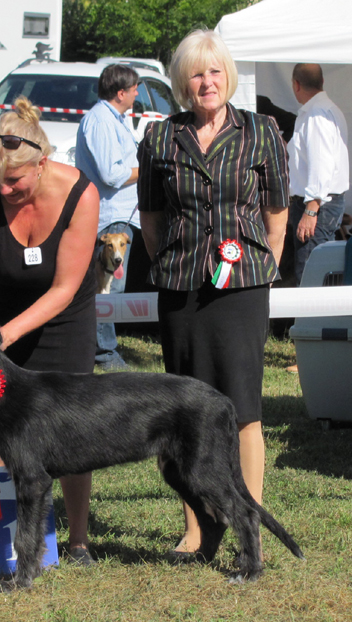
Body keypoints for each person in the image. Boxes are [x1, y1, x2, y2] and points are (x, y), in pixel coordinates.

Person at [137, 30, 289, 558]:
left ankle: (249, 529)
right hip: (180, 289)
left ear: (229, 76)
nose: (207, 81)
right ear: (183, 82)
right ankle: (199, 530)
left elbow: (276, 213)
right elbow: (151, 221)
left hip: (242, 287)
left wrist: (261, 264)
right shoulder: (159, 138)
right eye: (197, 73)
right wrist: (171, 262)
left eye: (216, 71)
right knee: (184, 410)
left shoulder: (262, 131)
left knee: (243, 409)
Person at [0, 96, 100, 565]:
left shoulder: (81, 194)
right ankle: (3, 543)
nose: (4, 188)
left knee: (74, 432)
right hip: (2, 315)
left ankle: (77, 540)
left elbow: (64, 289)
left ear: (43, 163)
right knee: (1, 429)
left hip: (65, 316)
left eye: (14, 180)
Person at [75, 64, 150, 370]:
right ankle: (103, 354)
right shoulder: (101, 121)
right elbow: (111, 173)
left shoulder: (112, 118)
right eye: (134, 89)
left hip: (119, 215)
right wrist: (146, 169)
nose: (136, 94)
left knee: (110, 288)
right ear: (121, 92)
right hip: (109, 217)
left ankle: (103, 350)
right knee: (106, 289)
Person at [288, 63, 349, 286]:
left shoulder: (316, 114)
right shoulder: (325, 110)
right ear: (322, 82)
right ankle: (319, 320)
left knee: (311, 275)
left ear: (296, 84)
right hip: (322, 203)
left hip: (318, 205)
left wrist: (311, 210)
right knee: (320, 273)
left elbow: (321, 163)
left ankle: (315, 321)